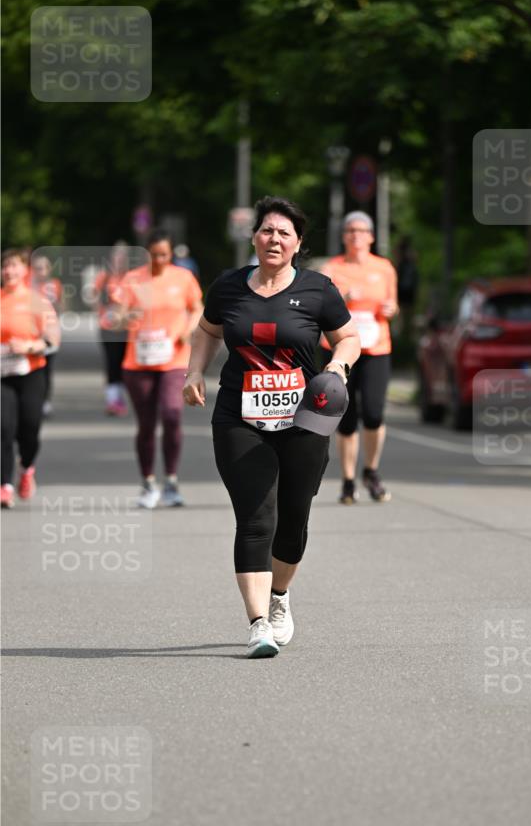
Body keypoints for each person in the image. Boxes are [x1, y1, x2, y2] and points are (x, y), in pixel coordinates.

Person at [183, 196, 359, 658]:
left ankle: (280, 598)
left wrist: (338, 366)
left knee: (294, 516)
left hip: (306, 417)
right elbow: (206, 331)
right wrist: (193, 371)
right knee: (256, 515)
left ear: (298, 243)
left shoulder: (318, 289)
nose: (274, 239)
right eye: (266, 230)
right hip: (241, 417)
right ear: (254, 237)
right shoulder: (228, 287)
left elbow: (349, 338)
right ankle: (258, 623)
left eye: (284, 233)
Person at [113, 229, 203, 508]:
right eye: (154, 254)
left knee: (172, 414)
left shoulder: (183, 277)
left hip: (174, 359)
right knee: (147, 424)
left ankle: (172, 481)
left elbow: (198, 307)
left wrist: (188, 330)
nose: (159, 259)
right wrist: (126, 316)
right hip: (138, 362)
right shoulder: (132, 279)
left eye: (164, 254)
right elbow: (116, 317)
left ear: (171, 253)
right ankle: (148, 482)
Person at [322, 211, 399, 505]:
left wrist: (392, 310)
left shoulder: (385, 268)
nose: (356, 236)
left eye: (361, 231)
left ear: (371, 236)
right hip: (341, 350)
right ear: (344, 236)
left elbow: (392, 305)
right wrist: (342, 295)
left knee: (375, 412)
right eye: (351, 231)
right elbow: (322, 309)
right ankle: (347, 480)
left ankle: (371, 470)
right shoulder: (333, 268)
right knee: (346, 417)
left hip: (377, 347)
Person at [1, 249, 60, 508]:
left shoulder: (37, 300)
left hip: (30, 372)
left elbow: (52, 337)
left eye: (14, 266)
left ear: (25, 270)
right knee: (3, 428)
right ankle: (5, 485)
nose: (9, 271)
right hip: (2, 375)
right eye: (5, 267)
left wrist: (30, 346)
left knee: (30, 428)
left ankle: (26, 468)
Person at [92, 242, 130, 417]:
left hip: (127, 328)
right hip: (107, 329)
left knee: (125, 364)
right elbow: (94, 298)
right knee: (112, 363)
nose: (119, 260)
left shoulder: (131, 278)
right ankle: (113, 401)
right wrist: (103, 314)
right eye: (117, 256)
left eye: (123, 256)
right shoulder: (104, 277)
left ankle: (121, 397)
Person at [29, 254, 63, 418]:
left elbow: (61, 306)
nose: (40, 271)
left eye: (43, 268)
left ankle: (45, 401)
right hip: (31, 335)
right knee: (34, 368)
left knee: (47, 369)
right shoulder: (27, 286)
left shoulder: (54, 285)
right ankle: (32, 400)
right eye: (37, 268)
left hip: (49, 334)